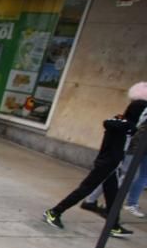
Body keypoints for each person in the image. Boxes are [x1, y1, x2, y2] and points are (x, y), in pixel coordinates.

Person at [43, 83, 147, 238]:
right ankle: (54, 212)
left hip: (111, 164)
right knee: (84, 189)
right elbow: (119, 143)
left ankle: (113, 225)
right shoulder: (126, 127)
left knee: (112, 195)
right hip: (108, 164)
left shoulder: (122, 124)